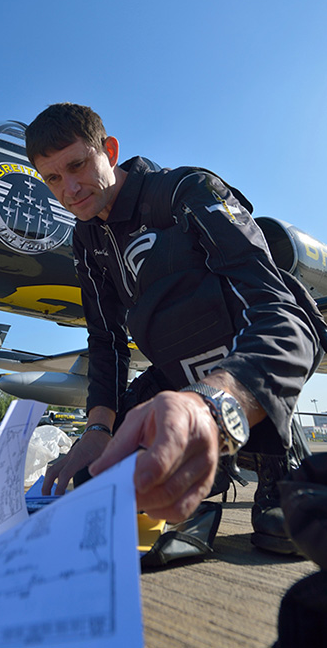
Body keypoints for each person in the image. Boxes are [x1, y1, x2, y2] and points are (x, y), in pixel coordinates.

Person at [25, 102, 325, 551]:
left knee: (283, 534)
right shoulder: (86, 240)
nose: (69, 189)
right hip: (174, 375)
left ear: (109, 150)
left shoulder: (188, 190)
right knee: (93, 480)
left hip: (238, 366)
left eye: (77, 165)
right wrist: (97, 431)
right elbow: (106, 341)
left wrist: (214, 406)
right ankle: (218, 458)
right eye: (52, 178)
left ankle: (271, 452)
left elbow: (280, 315)